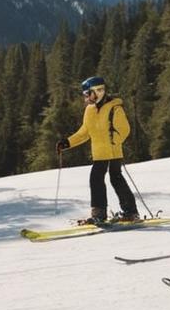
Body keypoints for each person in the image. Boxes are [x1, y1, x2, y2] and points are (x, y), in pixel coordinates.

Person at [56, 76, 138, 225]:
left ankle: (126, 213)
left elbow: (124, 129)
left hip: (112, 153)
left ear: (98, 91)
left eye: (88, 94)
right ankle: (110, 213)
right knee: (102, 179)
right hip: (99, 154)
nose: (86, 97)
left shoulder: (115, 108)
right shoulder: (90, 110)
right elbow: (84, 132)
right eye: (85, 95)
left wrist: (114, 142)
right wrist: (67, 143)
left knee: (112, 179)